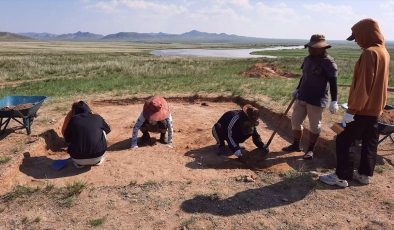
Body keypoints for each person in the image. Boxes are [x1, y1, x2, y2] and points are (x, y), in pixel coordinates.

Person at [320, 18, 390, 188]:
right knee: (369, 143)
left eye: (357, 37)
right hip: (375, 110)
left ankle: (341, 177)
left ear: (366, 34)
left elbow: (363, 85)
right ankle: (364, 175)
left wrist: (352, 111)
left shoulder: (369, 53)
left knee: (343, 139)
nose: (357, 41)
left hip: (361, 110)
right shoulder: (384, 52)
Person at [282, 34, 339, 159]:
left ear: (322, 48)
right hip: (302, 96)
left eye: (314, 47)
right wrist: (297, 89)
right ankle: (296, 145)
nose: (310, 49)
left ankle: (310, 150)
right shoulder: (307, 59)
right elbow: (304, 76)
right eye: (310, 47)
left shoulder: (329, 62)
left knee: (315, 126)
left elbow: (333, 82)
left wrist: (334, 100)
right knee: (295, 122)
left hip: (317, 99)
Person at [63, 101, 111, 168]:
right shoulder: (97, 117)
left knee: (73, 134)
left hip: (77, 158)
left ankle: (80, 164)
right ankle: (97, 161)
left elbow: (67, 138)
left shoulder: (73, 119)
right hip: (98, 156)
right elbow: (108, 130)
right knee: (102, 131)